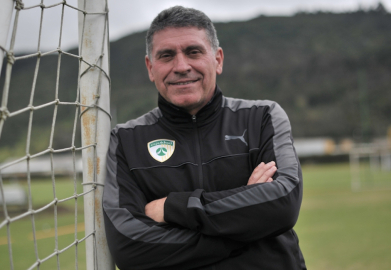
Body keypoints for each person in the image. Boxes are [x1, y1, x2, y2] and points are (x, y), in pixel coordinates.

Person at [103, 6, 306, 270]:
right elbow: (130, 246)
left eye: (193, 52)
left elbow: (283, 204)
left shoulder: (262, 117)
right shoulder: (126, 141)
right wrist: (247, 227)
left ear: (218, 59)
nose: (181, 66)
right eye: (166, 56)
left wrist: (172, 208)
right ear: (151, 68)